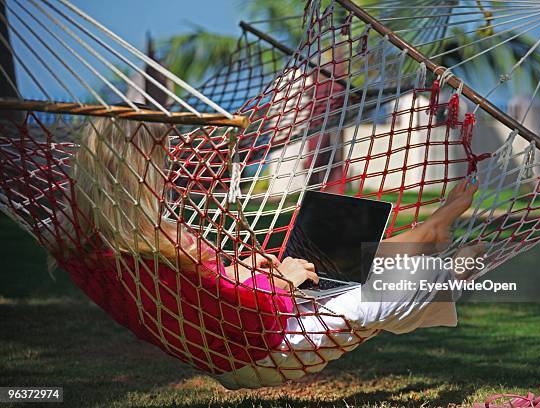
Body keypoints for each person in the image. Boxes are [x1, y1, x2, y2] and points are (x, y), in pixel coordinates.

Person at [53, 116, 484, 389]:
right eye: (160, 155)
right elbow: (237, 311)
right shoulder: (152, 246)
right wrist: (282, 281)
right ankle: (440, 249)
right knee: (386, 290)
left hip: (244, 329)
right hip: (264, 344)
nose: (170, 163)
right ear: (135, 170)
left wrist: (245, 269)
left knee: (342, 269)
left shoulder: (98, 244)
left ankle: (430, 231)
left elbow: (206, 296)